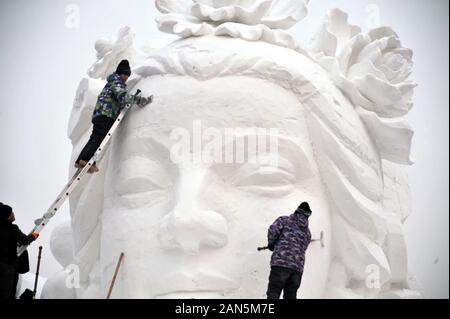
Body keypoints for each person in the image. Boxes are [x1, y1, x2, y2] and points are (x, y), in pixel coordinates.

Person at [75, 59, 152, 173]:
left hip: (102, 113)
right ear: (119, 73)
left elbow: (118, 99)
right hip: (106, 114)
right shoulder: (116, 82)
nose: (126, 77)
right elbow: (123, 96)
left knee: (96, 138)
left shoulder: (112, 82)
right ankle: (84, 159)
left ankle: (85, 160)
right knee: (98, 138)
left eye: (127, 75)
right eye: (124, 74)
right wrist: (139, 100)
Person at [266, 202, 312, 299]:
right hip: (297, 269)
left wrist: (271, 243)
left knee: (273, 293)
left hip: (280, 264)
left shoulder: (284, 220)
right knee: (290, 296)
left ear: (297, 210)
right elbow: (304, 247)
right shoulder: (307, 233)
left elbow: (273, 230)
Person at [0, 203, 39, 299]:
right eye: (11, 213)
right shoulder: (12, 228)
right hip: (8, 266)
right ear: (7, 217)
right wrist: (33, 236)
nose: (13, 214)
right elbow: (24, 240)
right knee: (8, 290)